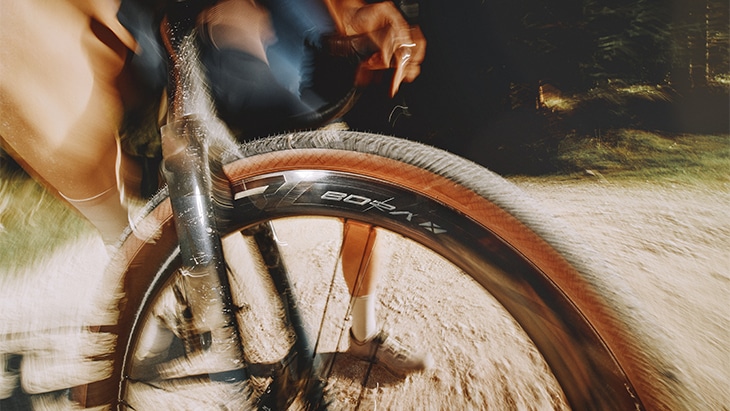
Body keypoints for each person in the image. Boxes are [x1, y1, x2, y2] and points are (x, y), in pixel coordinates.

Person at [0, 0, 430, 379]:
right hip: (178, 39)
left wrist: (353, 15)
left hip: (248, 45)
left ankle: (363, 333)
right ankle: (144, 261)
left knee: (351, 186)